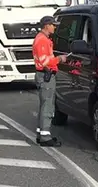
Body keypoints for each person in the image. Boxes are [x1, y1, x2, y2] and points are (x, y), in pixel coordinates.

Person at [32, 16, 67, 147]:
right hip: (46, 75)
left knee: (44, 105)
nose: (55, 27)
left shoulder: (42, 39)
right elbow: (44, 61)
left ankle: (41, 134)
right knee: (47, 106)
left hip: (43, 75)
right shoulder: (42, 41)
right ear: (47, 25)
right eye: (53, 25)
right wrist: (60, 59)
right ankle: (45, 137)